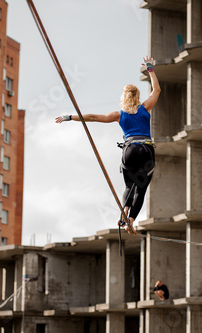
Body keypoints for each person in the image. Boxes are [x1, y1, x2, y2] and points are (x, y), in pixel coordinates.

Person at [56, 56, 161, 236]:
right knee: (140, 190)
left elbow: (94, 118)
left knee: (129, 186)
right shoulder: (145, 108)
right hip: (145, 150)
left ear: (124, 98)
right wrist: (150, 69)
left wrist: (70, 117)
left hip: (129, 151)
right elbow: (157, 90)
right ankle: (132, 221)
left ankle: (124, 211)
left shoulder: (119, 115)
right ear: (137, 97)